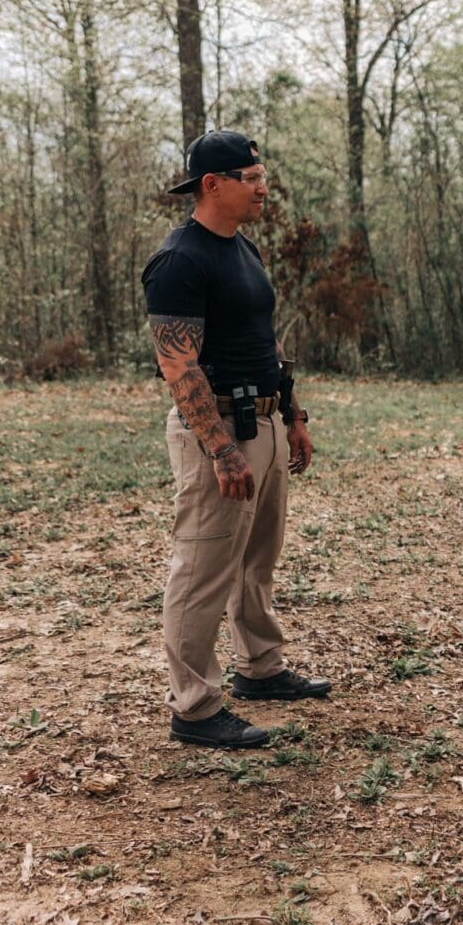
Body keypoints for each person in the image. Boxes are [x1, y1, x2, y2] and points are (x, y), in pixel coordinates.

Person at [142, 130, 329, 750]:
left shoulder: (242, 249)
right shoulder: (180, 260)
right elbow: (179, 365)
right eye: (251, 177)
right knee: (202, 566)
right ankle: (194, 707)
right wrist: (219, 447)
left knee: (257, 557)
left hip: (267, 420)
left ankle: (261, 669)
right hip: (217, 428)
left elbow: (264, 337)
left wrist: (294, 413)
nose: (263, 187)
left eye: (262, 175)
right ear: (212, 185)